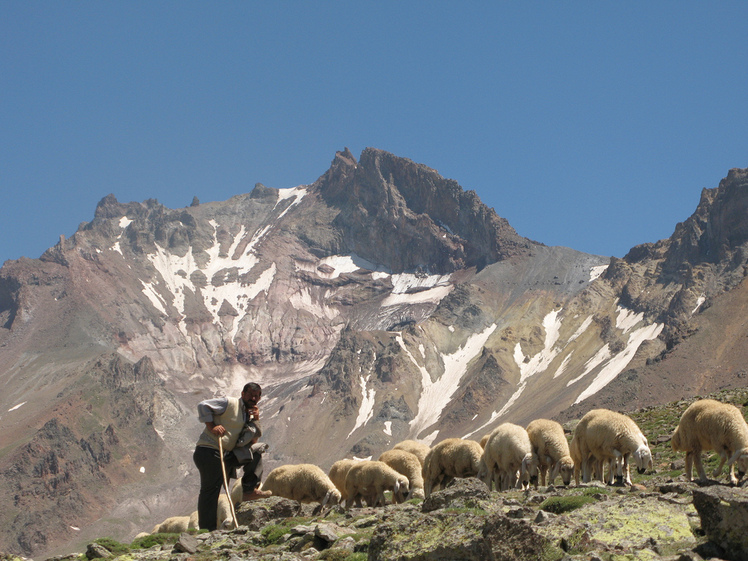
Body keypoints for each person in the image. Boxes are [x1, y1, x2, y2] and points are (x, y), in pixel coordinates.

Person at [193, 382, 271, 531]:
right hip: (209, 450)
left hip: (226, 454)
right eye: (250, 395)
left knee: (257, 449)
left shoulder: (247, 414)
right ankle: (207, 530)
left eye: (256, 396)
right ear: (243, 394)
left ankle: (249, 489)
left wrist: (255, 419)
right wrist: (212, 426)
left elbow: (252, 441)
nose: (253, 399)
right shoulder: (229, 403)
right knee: (211, 490)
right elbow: (203, 405)